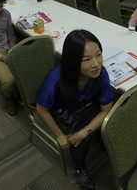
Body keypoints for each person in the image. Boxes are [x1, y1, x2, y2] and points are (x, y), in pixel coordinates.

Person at [36, 29, 114, 190]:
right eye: (86, 59)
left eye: (98, 54)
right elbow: (41, 109)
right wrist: (59, 134)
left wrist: (84, 131)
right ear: (72, 61)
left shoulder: (101, 73)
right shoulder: (55, 79)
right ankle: (80, 169)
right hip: (64, 111)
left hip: (89, 106)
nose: (96, 63)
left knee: (109, 120)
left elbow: (106, 110)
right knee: (79, 141)